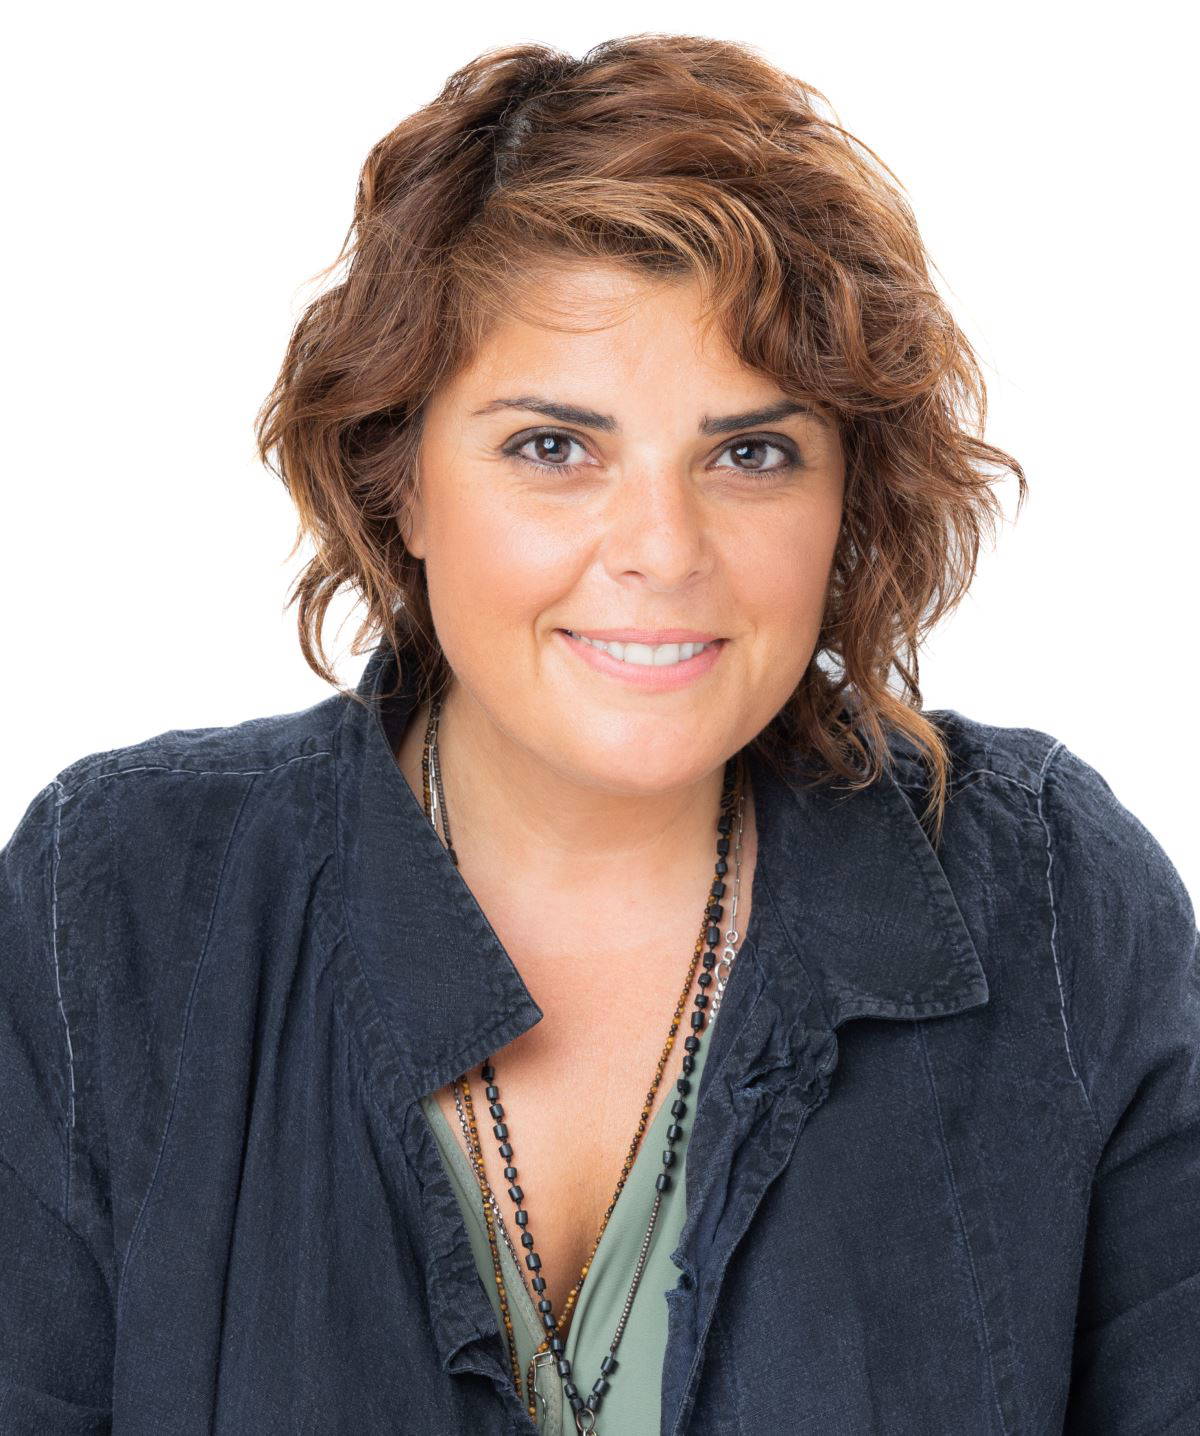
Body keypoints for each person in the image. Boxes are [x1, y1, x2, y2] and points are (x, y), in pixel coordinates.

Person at [2, 33, 1197, 1436]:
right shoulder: (114, 905)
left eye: (750, 453)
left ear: (849, 498)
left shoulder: (1047, 898)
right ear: (401, 480)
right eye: (554, 448)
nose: (661, 550)